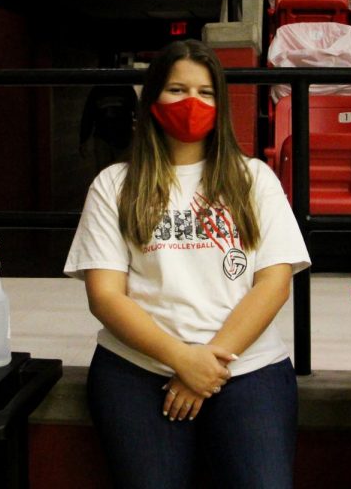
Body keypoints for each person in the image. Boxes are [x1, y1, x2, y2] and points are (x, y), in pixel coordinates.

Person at [64, 39, 310, 488]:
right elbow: (104, 295)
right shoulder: (114, 184)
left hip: (248, 368)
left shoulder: (253, 177)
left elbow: (273, 283)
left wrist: (205, 369)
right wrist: (181, 358)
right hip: (138, 370)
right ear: (153, 98)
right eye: (177, 90)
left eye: (206, 92)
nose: (192, 102)